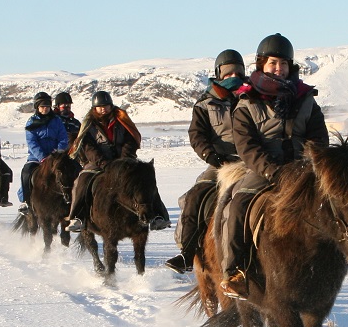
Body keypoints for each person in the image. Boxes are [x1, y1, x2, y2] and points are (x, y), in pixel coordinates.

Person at [219, 34, 348, 299]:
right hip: (265, 172)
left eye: (283, 64)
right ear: (261, 64)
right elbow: (247, 146)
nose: (279, 68)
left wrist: (313, 164)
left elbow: (318, 138)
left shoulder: (306, 99)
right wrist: (272, 170)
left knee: (342, 202)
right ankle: (236, 272)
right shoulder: (246, 102)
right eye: (273, 63)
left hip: (304, 171)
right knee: (238, 204)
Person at [165, 49, 247, 274]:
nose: (234, 76)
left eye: (238, 72)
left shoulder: (253, 96)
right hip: (220, 164)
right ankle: (187, 252)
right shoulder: (205, 103)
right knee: (196, 196)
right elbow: (197, 135)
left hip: (252, 161)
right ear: (218, 74)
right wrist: (212, 156)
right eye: (228, 72)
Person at [65, 90, 171, 233]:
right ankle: (78, 217)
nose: (103, 109)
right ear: (94, 108)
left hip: (124, 161)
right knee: (82, 180)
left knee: (145, 177)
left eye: (106, 105)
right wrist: (104, 163)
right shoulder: (89, 125)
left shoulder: (122, 120)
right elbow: (89, 147)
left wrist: (124, 159)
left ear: (111, 106)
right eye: (100, 106)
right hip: (99, 163)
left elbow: (130, 140)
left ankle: (159, 215)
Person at [17, 91, 69, 214]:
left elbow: (63, 138)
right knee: (26, 172)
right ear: (37, 107)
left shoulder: (56, 121)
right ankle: (25, 201)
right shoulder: (31, 122)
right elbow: (32, 142)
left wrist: (57, 153)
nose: (45, 109)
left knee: (71, 172)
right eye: (42, 107)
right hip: (36, 158)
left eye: (47, 106)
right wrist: (42, 157)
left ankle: (70, 200)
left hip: (56, 157)